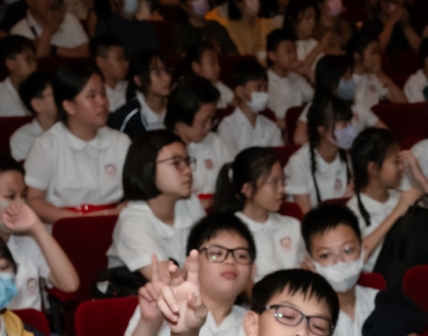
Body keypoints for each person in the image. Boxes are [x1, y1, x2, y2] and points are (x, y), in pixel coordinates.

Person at [116, 215, 255, 336]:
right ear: (190, 262)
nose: (230, 261)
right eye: (217, 253)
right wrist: (150, 322)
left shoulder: (254, 322)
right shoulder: (163, 305)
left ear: (253, 269)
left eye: (241, 256)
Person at [298, 203, 425, 336]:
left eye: (348, 250)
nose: (340, 262)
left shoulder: (386, 302)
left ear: (363, 251)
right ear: (309, 262)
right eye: (326, 255)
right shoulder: (303, 316)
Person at [0, 151, 81, 336]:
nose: (21, 205)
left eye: (24, 196)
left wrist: (37, 227)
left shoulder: (29, 240)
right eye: (11, 197)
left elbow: (70, 284)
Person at [23, 63, 131, 223]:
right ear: (69, 106)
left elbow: (139, 193)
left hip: (114, 223)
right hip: (65, 226)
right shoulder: (47, 145)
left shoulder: (121, 142)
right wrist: (82, 221)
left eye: (103, 94)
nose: (102, 102)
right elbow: (34, 200)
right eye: (91, 96)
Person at [109, 131, 205, 279]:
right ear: (147, 167)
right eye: (176, 163)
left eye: (187, 162)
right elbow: (167, 281)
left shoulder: (190, 203)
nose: (188, 170)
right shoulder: (133, 222)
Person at [349, 128, 428, 263]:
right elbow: (356, 256)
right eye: (395, 161)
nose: (401, 166)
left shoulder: (403, 196)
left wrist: (420, 177)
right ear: (373, 169)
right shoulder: (352, 210)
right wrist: (398, 210)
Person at [213, 148, 303, 275]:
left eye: (282, 181)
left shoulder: (292, 225)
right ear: (248, 189)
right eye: (273, 183)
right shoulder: (230, 232)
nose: (281, 189)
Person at [284, 94, 356, 211]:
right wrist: (344, 205)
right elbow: (307, 217)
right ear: (321, 130)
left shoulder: (347, 159)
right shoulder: (298, 162)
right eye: (344, 124)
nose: (350, 129)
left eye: (350, 122)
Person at [166, 77, 233, 199]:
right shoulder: (162, 148)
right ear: (184, 115)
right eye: (204, 121)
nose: (209, 126)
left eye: (212, 119)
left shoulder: (216, 142)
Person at [8, 0, 90, 60]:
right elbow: (33, 62)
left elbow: (87, 52)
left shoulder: (68, 19)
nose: (52, 1)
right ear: (29, 0)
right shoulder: (18, 31)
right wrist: (48, 30)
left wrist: (54, 50)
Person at [218, 60, 282, 151]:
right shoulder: (227, 127)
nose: (264, 92)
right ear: (240, 91)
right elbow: (229, 159)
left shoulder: (271, 126)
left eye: (266, 87)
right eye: (258, 87)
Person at [109, 50, 174, 138]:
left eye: (166, 70)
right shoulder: (126, 117)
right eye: (157, 73)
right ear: (139, 80)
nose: (167, 78)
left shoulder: (178, 108)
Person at [0, 35, 41, 121]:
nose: (34, 65)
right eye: (28, 60)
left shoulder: (42, 90)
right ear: (10, 64)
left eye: (35, 60)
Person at [265, 28, 315, 121]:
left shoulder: (297, 78)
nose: (293, 55)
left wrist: (309, 72)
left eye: (295, 50)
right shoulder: (265, 80)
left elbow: (315, 98)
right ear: (272, 55)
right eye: (288, 51)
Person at [10, 70, 57, 163]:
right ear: (37, 105)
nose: (62, 99)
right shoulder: (22, 138)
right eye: (55, 94)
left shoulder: (73, 129)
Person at [91, 37, 131, 113]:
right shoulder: (93, 95)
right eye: (119, 58)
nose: (126, 63)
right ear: (101, 62)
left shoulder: (131, 89)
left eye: (124, 58)